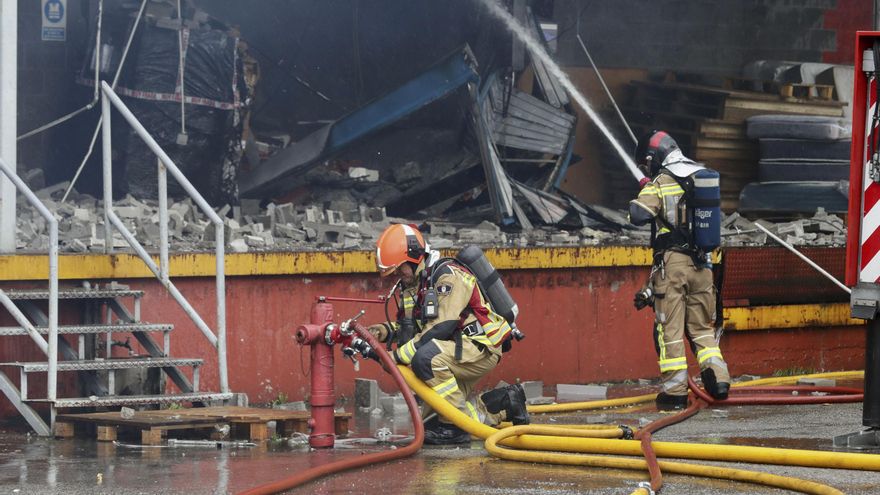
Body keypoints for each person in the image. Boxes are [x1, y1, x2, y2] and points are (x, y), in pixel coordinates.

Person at [367, 223, 528, 444]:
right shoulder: (413, 286)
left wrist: (395, 357)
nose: (397, 274)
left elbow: (441, 326)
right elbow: (410, 328)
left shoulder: (449, 276)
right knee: (431, 424)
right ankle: (505, 403)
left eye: (400, 268)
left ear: (414, 257)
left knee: (425, 359)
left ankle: (457, 427)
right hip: (452, 350)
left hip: (478, 346)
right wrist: (380, 332)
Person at [629, 130, 731, 410]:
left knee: (669, 330)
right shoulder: (703, 175)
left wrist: (646, 189)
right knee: (701, 330)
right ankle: (719, 382)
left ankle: (674, 393)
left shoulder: (661, 181)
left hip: (674, 266)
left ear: (653, 157)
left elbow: (637, 215)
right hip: (704, 266)